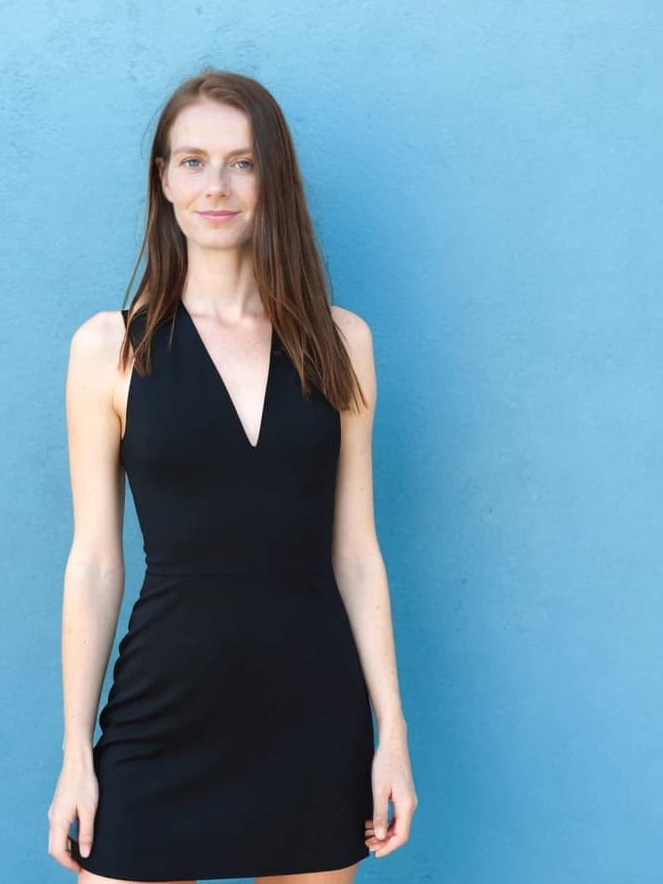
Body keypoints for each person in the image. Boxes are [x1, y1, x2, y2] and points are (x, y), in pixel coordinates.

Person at [47, 68, 417, 883]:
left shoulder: (341, 340)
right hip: (165, 709)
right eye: (193, 161)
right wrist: (77, 753)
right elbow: (95, 562)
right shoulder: (107, 347)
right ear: (164, 179)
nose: (217, 185)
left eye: (243, 162)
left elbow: (356, 552)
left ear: (271, 179)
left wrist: (391, 732)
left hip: (313, 712)